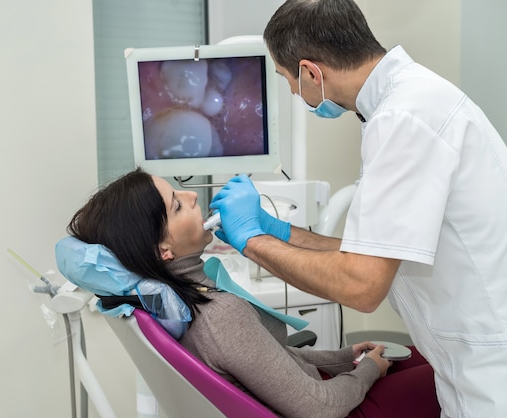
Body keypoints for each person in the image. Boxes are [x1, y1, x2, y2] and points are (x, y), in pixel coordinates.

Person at [209, 0, 507, 417]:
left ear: (311, 72)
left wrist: (253, 241)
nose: (295, 92)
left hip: (494, 374)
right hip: (478, 357)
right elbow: (376, 249)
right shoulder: (409, 101)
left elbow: (362, 285)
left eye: (288, 80)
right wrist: (282, 232)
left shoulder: (402, 119)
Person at [64, 168, 440, 418]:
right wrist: (369, 371)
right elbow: (319, 406)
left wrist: (346, 358)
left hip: (323, 393)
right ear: (164, 251)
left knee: (425, 357)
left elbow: (265, 362)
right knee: (448, 375)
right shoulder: (217, 314)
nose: (192, 197)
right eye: (177, 205)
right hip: (334, 410)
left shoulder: (181, 299)